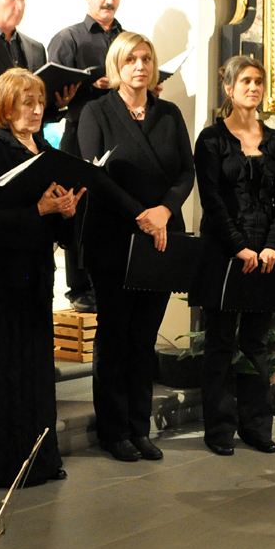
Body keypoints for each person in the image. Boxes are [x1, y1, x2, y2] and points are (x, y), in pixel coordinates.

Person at [76, 31, 194, 463]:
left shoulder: (169, 113)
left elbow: (186, 172)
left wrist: (163, 211)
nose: (140, 66)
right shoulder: (96, 112)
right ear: (116, 67)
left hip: (161, 238)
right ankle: (114, 430)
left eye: (146, 59)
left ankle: (140, 428)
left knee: (144, 337)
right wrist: (141, 215)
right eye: (131, 60)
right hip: (113, 237)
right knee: (116, 335)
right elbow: (96, 177)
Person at [0, 68, 81, 487]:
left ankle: (39, 459)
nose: (35, 111)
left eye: (39, 104)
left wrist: (67, 211)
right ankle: (2, 464)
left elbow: (60, 230)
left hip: (33, 275)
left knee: (34, 368)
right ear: (4, 106)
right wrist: (39, 212)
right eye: (25, 103)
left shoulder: (46, 150)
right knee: (2, 368)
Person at [191, 56, 275, 456]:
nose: (253, 88)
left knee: (256, 343)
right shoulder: (211, 140)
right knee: (219, 343)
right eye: (245, 81)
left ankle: (256, 426)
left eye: (258, 82)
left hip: (265, 254)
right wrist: (239, 247)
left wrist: (271, 245)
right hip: (223, 252)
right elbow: (212, 200)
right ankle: (219, 429)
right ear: (230, 89)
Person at [45, 0, 120, 314]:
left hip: (116, 134)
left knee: (112, 204)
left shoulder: (125, 38)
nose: (109, 1)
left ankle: (111, 275)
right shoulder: (68, 38)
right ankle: (79, 288)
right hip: (79, 133)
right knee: (78, 207)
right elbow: (51, 88)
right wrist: (91, 84)